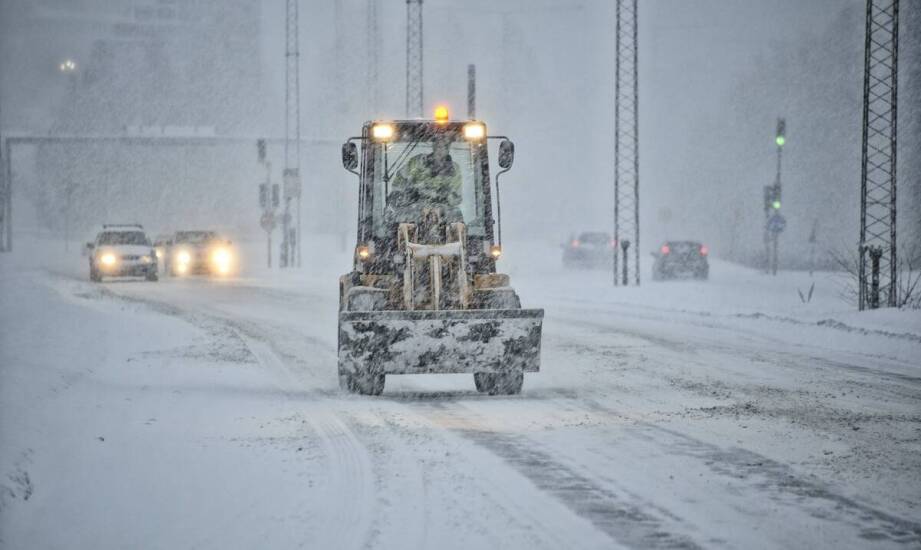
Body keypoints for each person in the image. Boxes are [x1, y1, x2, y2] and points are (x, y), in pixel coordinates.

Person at [389, 134, 462, 216]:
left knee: (456, 216)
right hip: (414, 206)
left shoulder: (454, 169)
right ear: (433, 147)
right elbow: (401, 178)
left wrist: (447, 195)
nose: (440, 150)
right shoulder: (418, 162)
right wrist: (400, 193)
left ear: (448, 149)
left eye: (444, 146)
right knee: (404, 221)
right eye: (438, 146)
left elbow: (456, 196)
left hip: (441, 209)